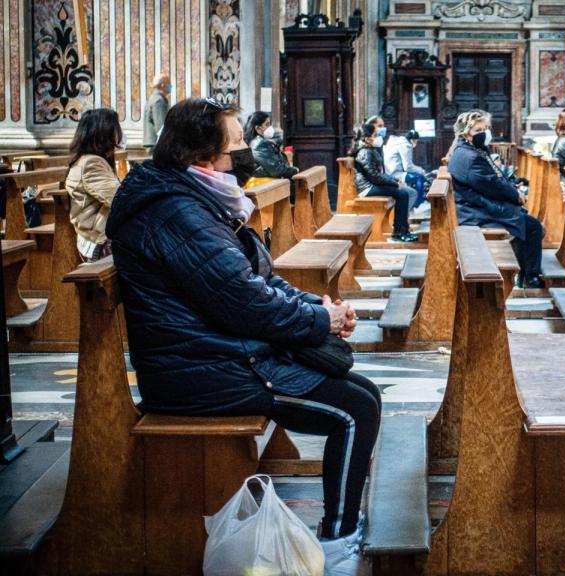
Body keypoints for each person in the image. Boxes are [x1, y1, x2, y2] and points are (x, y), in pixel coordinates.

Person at [105, 97, 380, 575]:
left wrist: (319, 308)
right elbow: (243, 301)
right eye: (236, 146)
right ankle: (338, 543)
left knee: (364, 396)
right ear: (201, 156)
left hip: (216, 352)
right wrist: (321, 322)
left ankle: (339, 530)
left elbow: (252, 279)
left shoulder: (193, 199)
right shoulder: (176, 212)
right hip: (197, 372)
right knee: (355, 410)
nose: (245, 153)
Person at [448, 109, 545, 288]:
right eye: (479, 130)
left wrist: (512, 191)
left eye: (487, 128)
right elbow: (492, 186)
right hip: (475, 213)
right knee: (533, 227)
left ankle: (524, 274)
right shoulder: (471, 157)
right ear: (466, 133)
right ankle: (530, 277)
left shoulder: (469, 150)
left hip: (476, 206)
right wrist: (515, 196)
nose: (485, 133)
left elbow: (494, 181)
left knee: (526, 221)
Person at [66, 108, 122, 262]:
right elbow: (120, 200)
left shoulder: (89, 159)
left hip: (100, 236)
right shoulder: (91, 163)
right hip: (99, 242)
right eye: (116, 128)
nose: (119, 133)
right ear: (104, 132)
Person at [352, 121, 419, 243]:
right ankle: (399, 232)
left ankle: (403, 230)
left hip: (372, 185)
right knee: (402, 194)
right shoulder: (365, 152)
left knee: (403, 192)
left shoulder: (371, 149)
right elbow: (374, 177)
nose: (378, 137)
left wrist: (395, 180)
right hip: (367, 188)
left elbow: (380, 173)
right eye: (375, 135)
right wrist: (395, 184)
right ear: (367, 139)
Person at [244, 110, 299, 180]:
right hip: (268, 184)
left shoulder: (255, 142)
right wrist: (296, 170)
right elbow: (277, 170)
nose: (270, 127)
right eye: (267, 124)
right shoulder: (260, 144)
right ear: (258, 128)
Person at [383, 130, 429, 209]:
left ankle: (416, 201)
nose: (416, 143)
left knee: (417, 176)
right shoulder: (406, 145)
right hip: (396, 173)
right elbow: (408, 167)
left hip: (388, 172)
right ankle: (418, 205)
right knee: (420, 178)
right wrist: (421, 170)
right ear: (412, 140)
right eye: (416, 141)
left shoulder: (396, 142)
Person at [143, 73, 171, 149]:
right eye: (169, 83)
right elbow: (161, 126)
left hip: (153, 143)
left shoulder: (154, 98)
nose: (170, 86)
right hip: (156, 144)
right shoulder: (159, 101)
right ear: (162, 85)